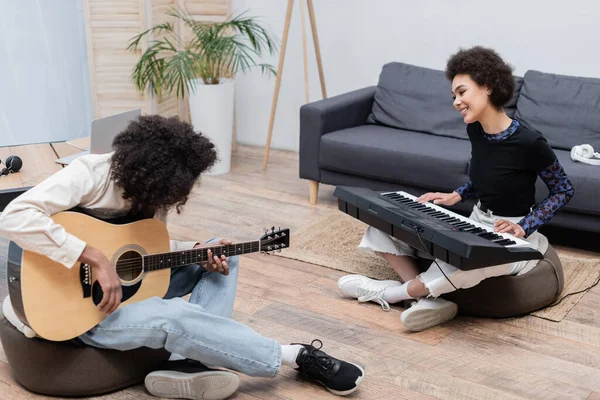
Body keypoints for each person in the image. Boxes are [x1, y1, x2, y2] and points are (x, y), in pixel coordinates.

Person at [0, 115, 364, 400]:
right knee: (174, 315)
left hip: (128, 293)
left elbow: (144, 254)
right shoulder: (91, 175)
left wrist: (193, 258)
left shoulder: (152, 194)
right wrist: (93, 257)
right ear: (151, 174)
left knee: (221, 255)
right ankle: (292, 356)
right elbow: (14, 215)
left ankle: (193, 361)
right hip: (80, 315)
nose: (175, 197)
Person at [337, 46, 575, 332]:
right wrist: (458, 194)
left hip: (512, 234)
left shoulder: (530, 142)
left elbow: (563, 190)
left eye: (462, 92)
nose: (456, 101)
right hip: (475, 221)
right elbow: (487, 174)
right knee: (381, 228)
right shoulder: (475, 129)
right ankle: (425, 300)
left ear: (487, 87)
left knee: (466, 264)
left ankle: (389, 294)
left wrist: (525, 226)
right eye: (454, 96)